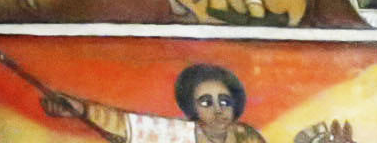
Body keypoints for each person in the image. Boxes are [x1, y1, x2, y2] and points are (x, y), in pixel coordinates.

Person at [40, 64, 266, 143]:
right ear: (193, 108)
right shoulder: (179, 134)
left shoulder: (247, 137)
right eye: (206, 102)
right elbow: (124, 123)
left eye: (224, 101)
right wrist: (81, 110)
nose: (218, 109)